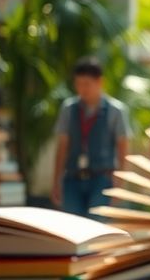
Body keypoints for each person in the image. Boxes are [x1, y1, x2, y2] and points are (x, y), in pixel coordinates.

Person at [51, 56, 131, 219]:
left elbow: (123, 148)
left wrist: (120, 183)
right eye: (78, 84)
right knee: (72, 227)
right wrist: (56, 181)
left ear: (100, 82)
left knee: (96, 228)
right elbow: (62, 146)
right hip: (73, 177)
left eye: (87, 84)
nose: (82, 89)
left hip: (102, 179)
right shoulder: (69, 108)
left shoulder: (116, 110)